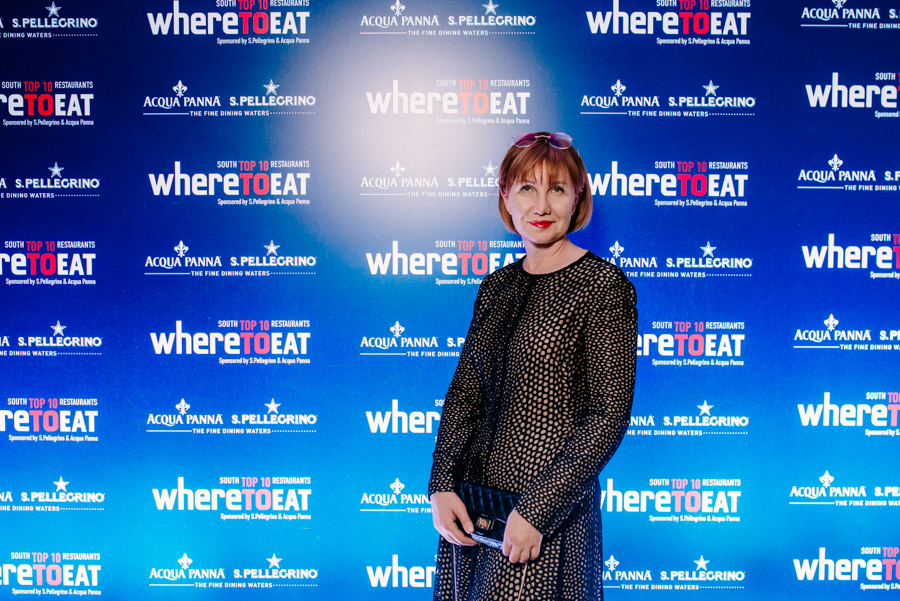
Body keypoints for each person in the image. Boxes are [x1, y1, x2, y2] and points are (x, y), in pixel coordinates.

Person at [428, 132, 637, 600]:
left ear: (577, 196)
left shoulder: (603, 286)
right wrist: (441, 487)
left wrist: (537, 511)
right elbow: (465, 395)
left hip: (544, 518)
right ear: (505, 194)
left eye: (556, 189)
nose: (541, 205)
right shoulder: (495, 287)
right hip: (472, 510)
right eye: (527, 188)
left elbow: (608, 416)